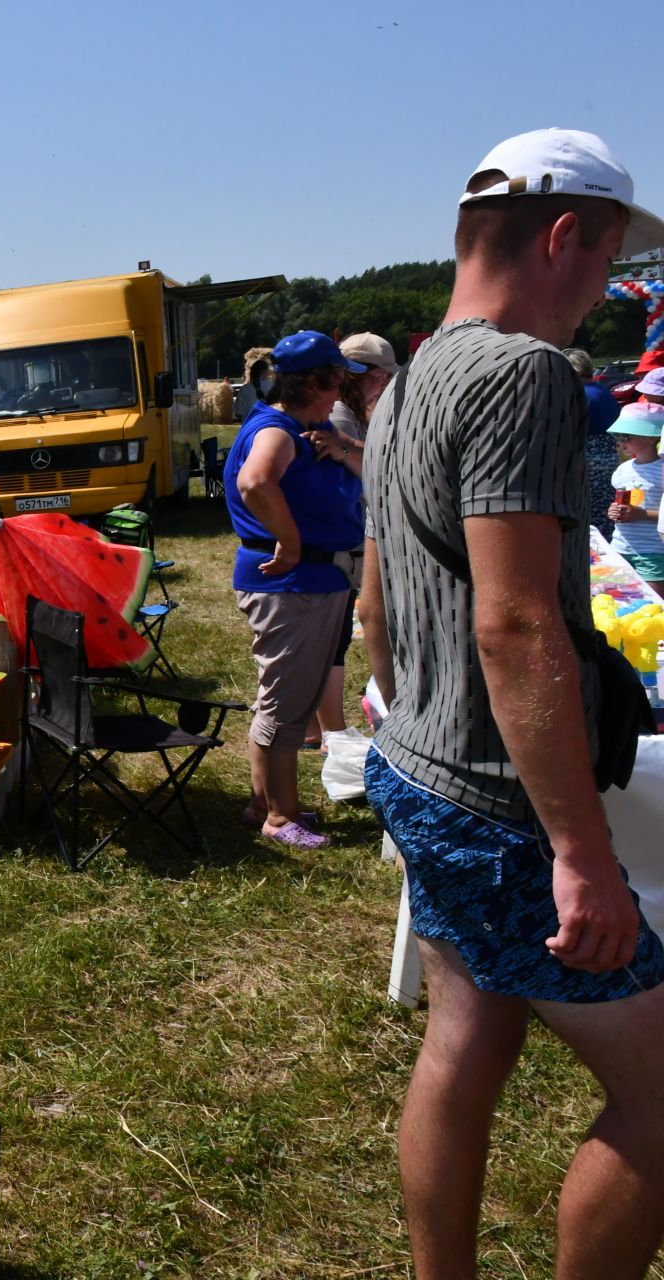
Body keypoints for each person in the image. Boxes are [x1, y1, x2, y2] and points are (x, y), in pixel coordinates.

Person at [356, 127, 664, 1279]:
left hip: (420, 764)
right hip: (501, 806)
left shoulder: (412, 379)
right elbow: (518, 619)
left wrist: (407, 716)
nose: (609, 290)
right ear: (565, 236)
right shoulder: (524, 374)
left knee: (465, 1037)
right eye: (611, 263)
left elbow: (380, 603)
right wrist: (580, 850)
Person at [222, 329, 366, 847]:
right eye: (334, 382)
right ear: (312, 383)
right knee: (286, 706)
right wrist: (289, 543)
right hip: (294, 583)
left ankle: (265, 803)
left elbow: (374, 467)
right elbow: (255, 482)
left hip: (311, 581)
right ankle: (281, 817)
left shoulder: (310, 425)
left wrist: (343, 444)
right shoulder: (279, 431)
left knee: (288, 699)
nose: (339, 393)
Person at [304, 333, 399, 745]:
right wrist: (348, 451)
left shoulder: (352, 413)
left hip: (344, 537)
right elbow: (370, 469)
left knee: (330, 639)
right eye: (379, 379)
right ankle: (332, 731)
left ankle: (313, 729)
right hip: (342, 540)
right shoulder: (341, 414)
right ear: (367, 376)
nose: (383, 386)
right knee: (333, 640)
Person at [607, 403, 664, 594]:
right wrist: (614, 510)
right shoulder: (623, 469)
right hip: (621, 546)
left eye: (626, 436)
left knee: (653, 604)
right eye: (617, 436)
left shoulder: (661, 470)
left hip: (653, 551)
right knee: (623, 601)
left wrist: (640, 514)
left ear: (651, 438)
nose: (620, 442)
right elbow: (622, 502)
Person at [567, 347, 625, 536]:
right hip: (609, 457)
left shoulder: (579, 394)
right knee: (604, 513)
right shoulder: (602, 391)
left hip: (588, 460)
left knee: (587, 515)